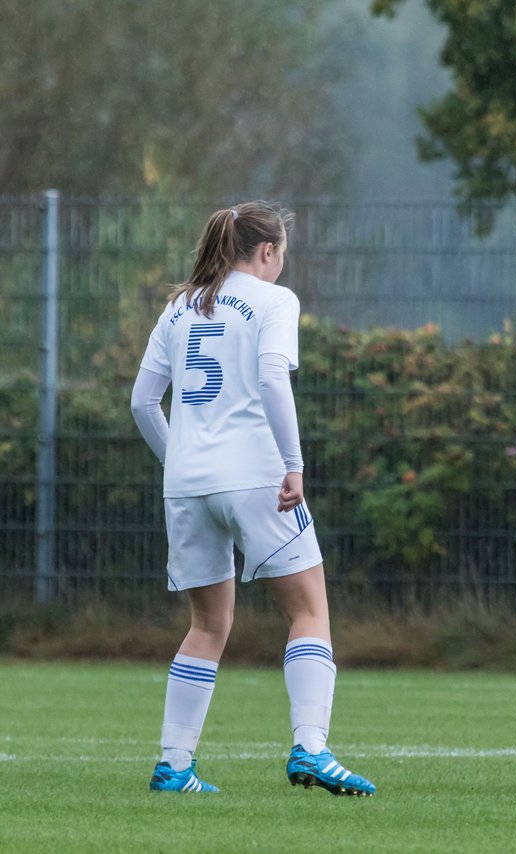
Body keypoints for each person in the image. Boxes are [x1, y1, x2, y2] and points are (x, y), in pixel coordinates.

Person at [130, 201, 375, 797]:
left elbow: (142, 403)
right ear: (268, 251)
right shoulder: (274, 299)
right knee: (309, 611)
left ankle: (174, 766)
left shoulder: (179, 305)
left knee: (208, 625)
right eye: (282, 252)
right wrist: (293, 464)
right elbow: (271, 379)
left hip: (186, 485)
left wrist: (185, 462)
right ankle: (311, 750)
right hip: (255, 477)